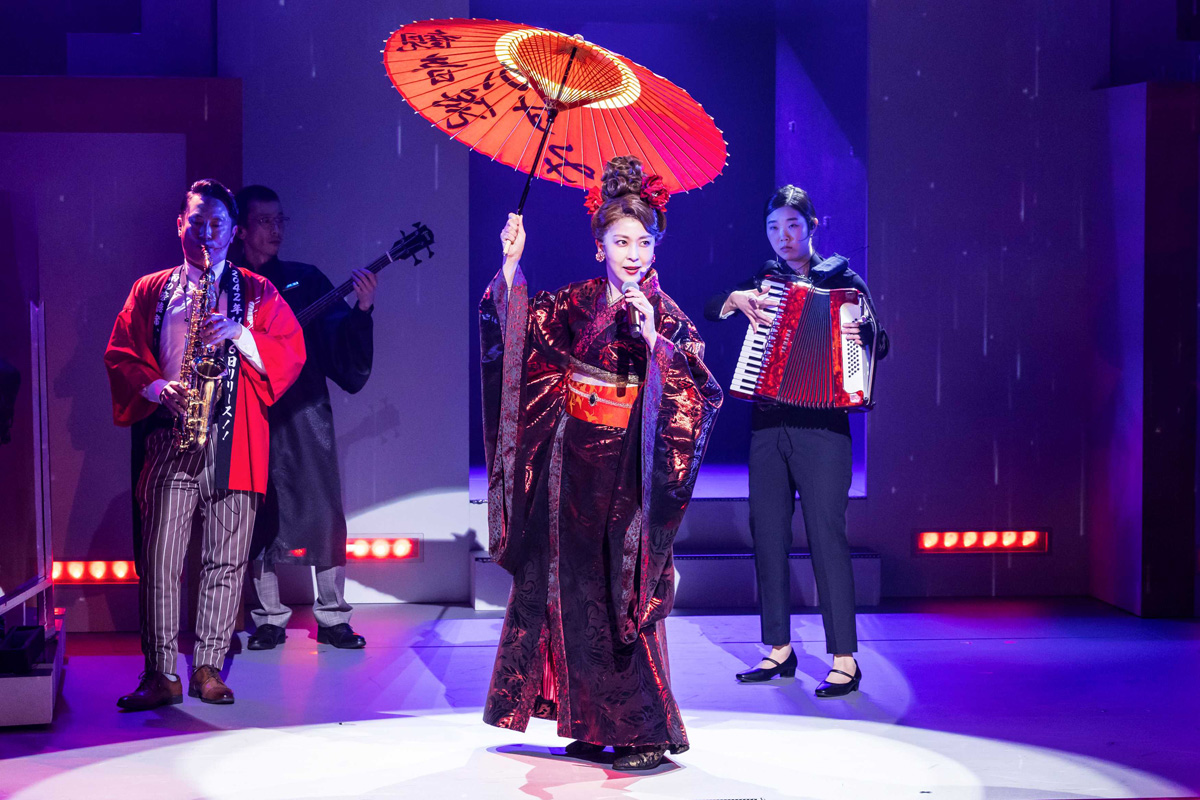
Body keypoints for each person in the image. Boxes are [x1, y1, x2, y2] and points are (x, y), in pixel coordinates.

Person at [480, 157, 722, 771]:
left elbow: (696, 392)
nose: (633, 254)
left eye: (644, 242)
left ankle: (645, 732)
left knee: (624, 595)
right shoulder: (575, 302)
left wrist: (656, 344)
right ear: (599, 247)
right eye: (621, 242)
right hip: (570, 469)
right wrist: (511, 266)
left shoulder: (665, 315)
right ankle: (588, 720)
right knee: (570, 590)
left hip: (629, 474)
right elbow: (519, 340)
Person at [104, 179, 305, 710]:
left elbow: (291, 352)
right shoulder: (152, 290)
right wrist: (157, 387)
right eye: (197, 222)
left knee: (225, 562)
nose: (206, 233)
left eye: (217, 224)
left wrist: (239, 333)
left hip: (236, 439)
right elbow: (121, 352)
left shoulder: (258, 291)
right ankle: (160, 673)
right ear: (180, 226)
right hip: (172, 433)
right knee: (159, 561)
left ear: (233, 232)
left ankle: (209, 668)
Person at [704, 185, 889, 698]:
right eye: (773, 227)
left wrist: (861, 332)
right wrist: (734, 300)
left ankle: (845, 659)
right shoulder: (764, 281)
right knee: (767, 535)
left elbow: (881, 344)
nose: (782, 236)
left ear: (811, 226)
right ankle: (778, 649)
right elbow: (712, 306)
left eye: (792, 225)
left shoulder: (843, 281)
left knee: (827, 536)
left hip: (824, 429)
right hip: (768, 425)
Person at [233, 185, 377, 651]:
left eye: (280, 220)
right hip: (250, 411)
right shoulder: (228, 285)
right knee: (256, 512)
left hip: (304, 408)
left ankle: (333, 616)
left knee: (323, 510)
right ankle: (268, 617)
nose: (275, 230)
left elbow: (338, 343)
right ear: (241, 230)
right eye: (264, 221)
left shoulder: (305, 278)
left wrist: (363, 309)